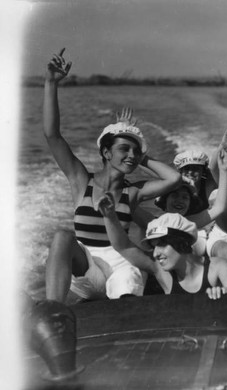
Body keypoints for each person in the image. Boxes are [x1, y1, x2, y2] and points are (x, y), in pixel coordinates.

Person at [43, 49, 181, 302]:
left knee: (128, 278)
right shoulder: (81, 181)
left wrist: (143, 155)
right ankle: (54, 311)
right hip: (86, 268)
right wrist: (51, 83)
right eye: (123, 149)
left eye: (135, 152)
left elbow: (173, 179)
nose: (131, 156)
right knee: (62, 237)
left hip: (121, 265)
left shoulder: (134, 192)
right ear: (106, 152)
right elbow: (53, 136)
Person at [97, 194, 227, 299]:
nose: (155, 254)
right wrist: (109, 216)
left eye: (161, 245)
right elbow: (123, 247)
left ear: (182, 242)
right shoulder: (161, 271)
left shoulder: (218, 266)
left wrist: (224, 295)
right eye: (154, 247)